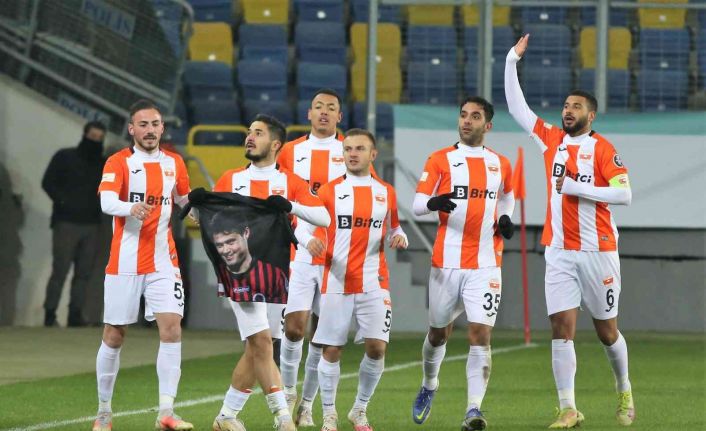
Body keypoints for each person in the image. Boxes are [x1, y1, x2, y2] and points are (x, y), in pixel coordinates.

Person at [505, 34, 635, 428]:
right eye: (565, 105)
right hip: (559, 249)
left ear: (590, 116)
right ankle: (567, 407)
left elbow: (624, 194)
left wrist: (578, 188)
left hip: (599, 250)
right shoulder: (551, 141)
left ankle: (624, 387)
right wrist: (511, 60)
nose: (567, 110)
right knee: (561, 328)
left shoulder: (603, 149)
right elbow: (517, 108)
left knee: (607, 332)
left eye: (576, 106)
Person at [210, 114, 331, 431]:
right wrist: (198, 207)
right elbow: (209, 218)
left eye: (258, 133)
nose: (250, 137)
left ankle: (226, 416)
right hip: (241, 274)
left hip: (276, 274)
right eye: (249, 132)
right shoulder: (231, 179)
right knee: (263, 343)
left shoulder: (291, 182)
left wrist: (290, 205)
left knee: (257, 348)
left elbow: (323, 217)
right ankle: (282, 417)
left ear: (275, 144)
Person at [410, 97, 515, 431]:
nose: (467, 121)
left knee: (480, 334)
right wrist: (433, 203)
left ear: (488, 125)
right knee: (438, 335)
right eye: (464, 115)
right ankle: (429, 384)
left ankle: (473, 410)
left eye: (475, 116)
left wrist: (505, 217)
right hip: (447, 263)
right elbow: (416, 205)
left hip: (486, 263)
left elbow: (507, 195)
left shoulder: (500, 163)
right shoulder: (440, 159)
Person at [93, 100, 193, 431]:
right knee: (114, 334)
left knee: (172, 328)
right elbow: (107, 201)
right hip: (124, 261)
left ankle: (166, 411)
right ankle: (104, 412)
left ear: (162, 128)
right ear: (131, 129)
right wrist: (129, 207)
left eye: (155, 124)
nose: (150, 130)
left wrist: (202, 212)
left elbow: (184, 200)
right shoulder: (118, 161)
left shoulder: (175, 162)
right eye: (143, 124)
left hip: (164, 260)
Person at [310, 128, 408, 431]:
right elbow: (313, 229)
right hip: (336, 281)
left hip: (374, 280)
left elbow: (395, 227)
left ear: (373, 154)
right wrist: (313, 242)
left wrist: (400, 236)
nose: (352, 154)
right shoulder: (328, 191)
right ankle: (329, 414)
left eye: (360, 149)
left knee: (377, 348)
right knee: (332, 350)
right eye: (348, 149)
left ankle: (359, 409)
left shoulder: (386, 192)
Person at [276, 88, 346, 426]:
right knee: (294, 328)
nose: (324, 112)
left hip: (337, 255)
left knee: (323, 334)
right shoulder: (290, 151)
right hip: (299, 251)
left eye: (331, 107)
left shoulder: (350, 149)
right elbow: (280, 198)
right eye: (318, 106)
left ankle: (306, 404)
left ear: (339, 116)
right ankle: (288, 393)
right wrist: (301, 237)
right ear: (309, 113)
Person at [41, 120, 107, 327]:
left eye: (99, 138)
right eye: (92, 136)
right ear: (84, 135)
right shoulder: (65, 157)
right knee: (60, 271)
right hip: (66, 222)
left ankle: (75, 315)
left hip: (91, 224)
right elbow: (48, 182)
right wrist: (63, 202)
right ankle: (50, 315)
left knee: (84, 273)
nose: (95, 141)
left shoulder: (104, 164)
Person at [211, 213, 289, 301]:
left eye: (230, 242)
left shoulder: (274, 275)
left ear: (246, 233)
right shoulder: (217, 276)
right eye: (219, 245)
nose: (225, 251)